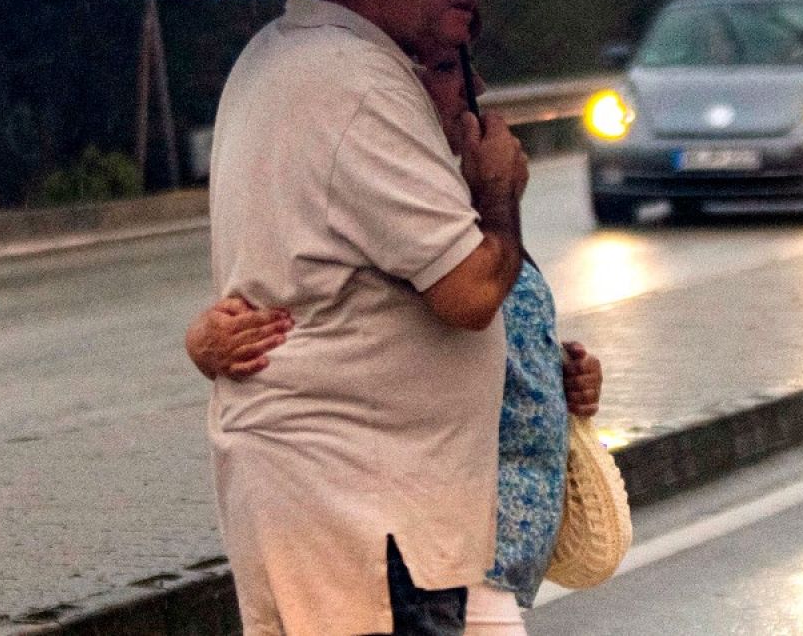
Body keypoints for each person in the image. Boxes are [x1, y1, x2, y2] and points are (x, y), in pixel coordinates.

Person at [203, 0, 528, 635]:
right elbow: (470, 294)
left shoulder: (279, 53)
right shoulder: (355, 82)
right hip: (365, 513)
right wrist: (500, 192)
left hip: (343, 502)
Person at [189, 41, 605, 634]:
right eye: (444, 67)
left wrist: (566, 373)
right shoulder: (402, 181)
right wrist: (202, 344)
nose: (474, 85)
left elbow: (480, 334)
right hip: (446, 543)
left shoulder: (456, 205)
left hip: (490, 541)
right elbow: (336, 315)